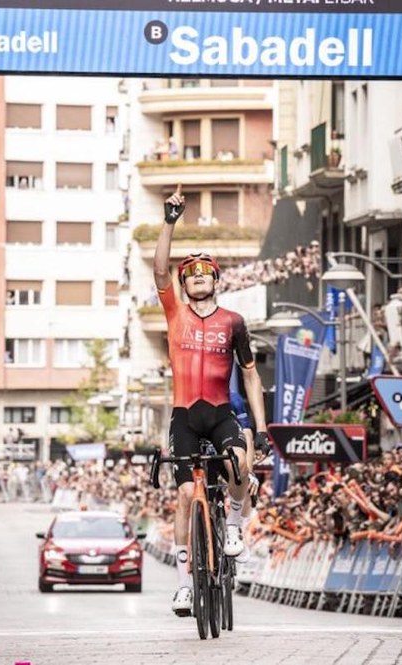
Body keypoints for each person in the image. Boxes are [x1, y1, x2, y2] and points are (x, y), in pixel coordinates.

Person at [153, 184, 270, 616]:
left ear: (217, 281)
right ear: (185, 284)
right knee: (185, 496)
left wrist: (259, 426)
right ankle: (185, 585)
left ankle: (235, 524)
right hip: (184, 415)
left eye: (206, 273)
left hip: (221, 412)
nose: (199, 277)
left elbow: (251, 375)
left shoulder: (234, 322)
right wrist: (170, 221)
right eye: (192, 274)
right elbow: (160, 270)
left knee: (240, 457)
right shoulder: (174, 314)